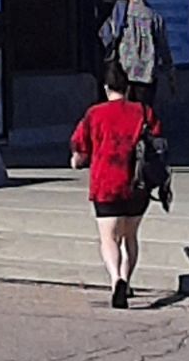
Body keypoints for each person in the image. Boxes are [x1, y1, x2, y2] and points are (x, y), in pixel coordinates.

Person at [70, 78, 170, 306]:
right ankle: (127, 279)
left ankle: (116, 280)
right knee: (130, 236)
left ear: (106, 89)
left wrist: (77, 160)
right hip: (138, 183)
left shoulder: (94, 113)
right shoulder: (144, 111)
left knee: (109, 238)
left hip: (106, 183)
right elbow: (158, 143)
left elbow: (80, 148)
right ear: (128, 88)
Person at [96, 0, 172, 104]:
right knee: (143, 109)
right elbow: (163, 46)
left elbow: (106, 34)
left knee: (124, 108)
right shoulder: (155, 17)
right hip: (147, 73)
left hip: (124, 70)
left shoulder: (122, 10)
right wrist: (169, 70)